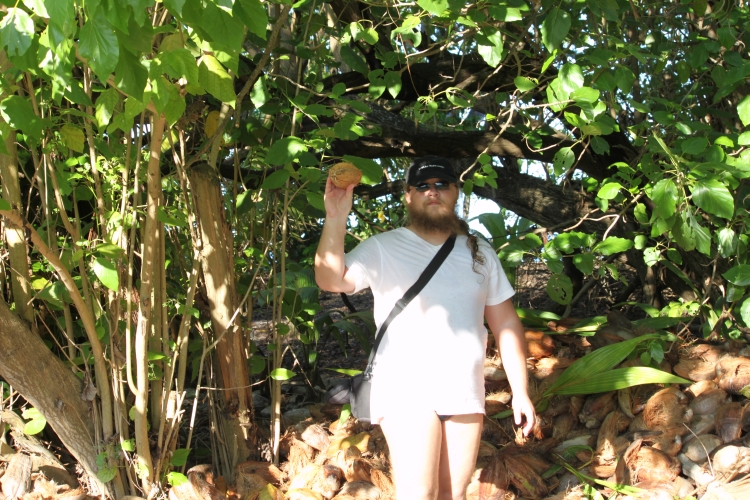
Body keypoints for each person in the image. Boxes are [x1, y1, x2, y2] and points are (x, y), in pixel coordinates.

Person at [314, 156, 536, 500]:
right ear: (408, 196)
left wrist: (520, 391)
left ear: (455, 193)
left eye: (441, 184)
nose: (432, 192)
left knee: (453, 493)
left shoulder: (480, 253)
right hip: (404, 385)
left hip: (464, 388)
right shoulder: (383, 247)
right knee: (420, 493)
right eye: (422, 186)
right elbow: (330, 280)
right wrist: (335, 216)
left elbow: (505, 323)